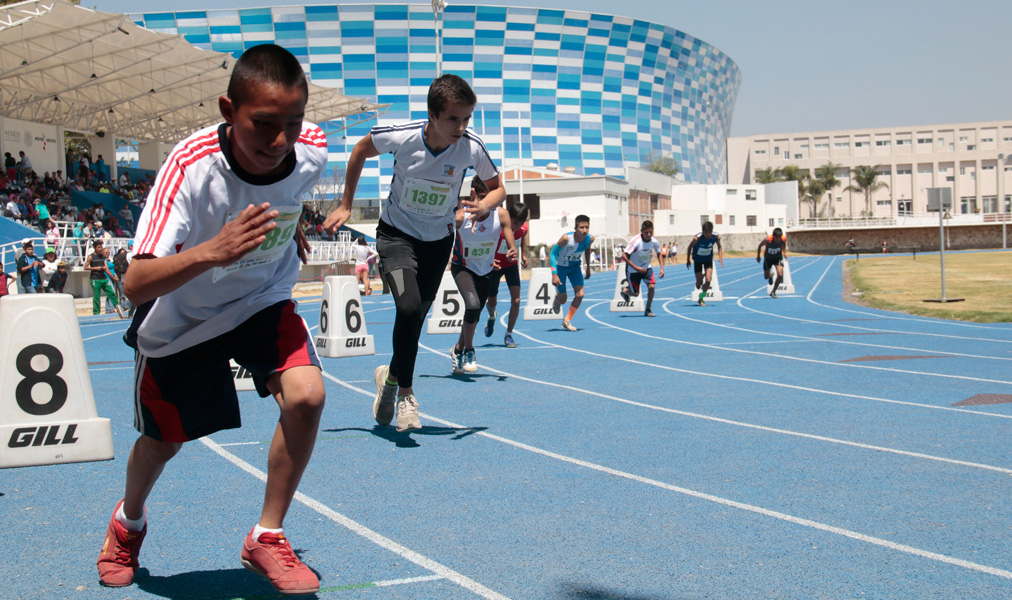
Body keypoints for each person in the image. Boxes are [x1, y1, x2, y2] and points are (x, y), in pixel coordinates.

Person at [95, 44, 328, 595]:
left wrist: (287, 229)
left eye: (291, 124)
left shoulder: (312, 148)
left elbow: (287, 191)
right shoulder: (190, 167)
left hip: (260, 299)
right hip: (184, 317)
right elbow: (134, 284)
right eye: (264, 125)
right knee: (162, 443)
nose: (279, 142)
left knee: (307, 397)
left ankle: (266, 537)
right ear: (229, 110)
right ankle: (127, 523)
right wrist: (213, 251)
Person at [323, 73, 504, 433]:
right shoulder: (402, 135)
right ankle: (405, 392)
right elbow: (359, 151)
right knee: (407, 307)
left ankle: (389, 377)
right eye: (454, 118)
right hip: (396, 235)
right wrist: (346, 204)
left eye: (467, 118)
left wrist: (485, 204)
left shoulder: (471, 146)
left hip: (438, 242)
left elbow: (499, 189)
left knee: (415, 319)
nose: (461, 126)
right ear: (432, 115)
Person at [450, 177, 516, 373]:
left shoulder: (501, 215)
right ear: (473, 195)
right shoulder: (461, 217)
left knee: (475, 313)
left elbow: (509, 237)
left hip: (486, 269)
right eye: (481, 198)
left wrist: (512, 250)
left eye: (490, 199)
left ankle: (458, 349)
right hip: (463, 266)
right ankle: (470, 350)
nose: (486, 204)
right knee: (472, 305)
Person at [484, 199, 529, 348]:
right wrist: (490, 261)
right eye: (514, 222)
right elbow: (486, 244)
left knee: (516, 301)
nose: (516, 227)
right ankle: (492, 316)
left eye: (519, 223)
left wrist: (523, 254)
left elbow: (521, 238)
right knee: (492, 302)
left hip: (510, 266)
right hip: (495, 266)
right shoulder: (497, 229)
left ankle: (509, 334)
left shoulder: (523, 229)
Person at [549, 214, 594, 331]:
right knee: (563, 300)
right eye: (581, 227)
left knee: (580, 295)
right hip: (561, 268)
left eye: (587, 227)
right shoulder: (566, 239)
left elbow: (587, 250)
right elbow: (552, 254)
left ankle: (567, 320)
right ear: (575, 228)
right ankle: (558, 298)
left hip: (575, 268)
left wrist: (588, 267)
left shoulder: (590, 238)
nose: (584, 231)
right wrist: (554, 274)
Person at [620, 220, 665, 317]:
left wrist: (662, 268)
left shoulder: (654, 241)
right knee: (636, 294)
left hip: (646, 268)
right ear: (641, 231)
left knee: (652, 287)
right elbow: (624, 256)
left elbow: (659, 253)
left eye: (651, 232)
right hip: (633, 270)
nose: (649, 235)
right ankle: (625, 291)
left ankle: (648, 309)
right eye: (646, 232)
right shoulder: (635, 241)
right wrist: (636, 268)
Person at [685, 221, 723, 306]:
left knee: (709, 280)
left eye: (709, 232)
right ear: (703, 232)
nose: (708, 234)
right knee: (699, 284)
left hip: (708, 260)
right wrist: (688, 260)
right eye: (706, 232)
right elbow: (689, 247)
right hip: (698, 260)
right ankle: (701, 277)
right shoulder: (697, 238)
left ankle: (701, 298)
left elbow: (719, 247)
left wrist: (720, 258)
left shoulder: (716, 237)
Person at [85, 240, 125, 318]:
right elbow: (85, 267)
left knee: (112, 293)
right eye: (98, 247)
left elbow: (106, 269)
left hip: (103, 278)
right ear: (95, 248)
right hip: (95, 279)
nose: (100, 249)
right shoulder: (91, 257)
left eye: (101, 247)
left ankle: (118, 307)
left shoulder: (102, 257)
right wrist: (97, 268)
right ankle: (96, 313)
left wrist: (113, 278)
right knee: (97, 296)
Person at [757, 227, 788, 299]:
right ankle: (770, 276)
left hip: (778, 258)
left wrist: (784, 252)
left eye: (779, 238)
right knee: (766, 277)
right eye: (776, 238)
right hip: (768, 259)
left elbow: (784, 244)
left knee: (780, 275)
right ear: (773, 236)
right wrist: (758, 256)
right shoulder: (768, 239)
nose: (778, 239)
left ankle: (773, 291)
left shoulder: (783, 238)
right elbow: (759, 246)